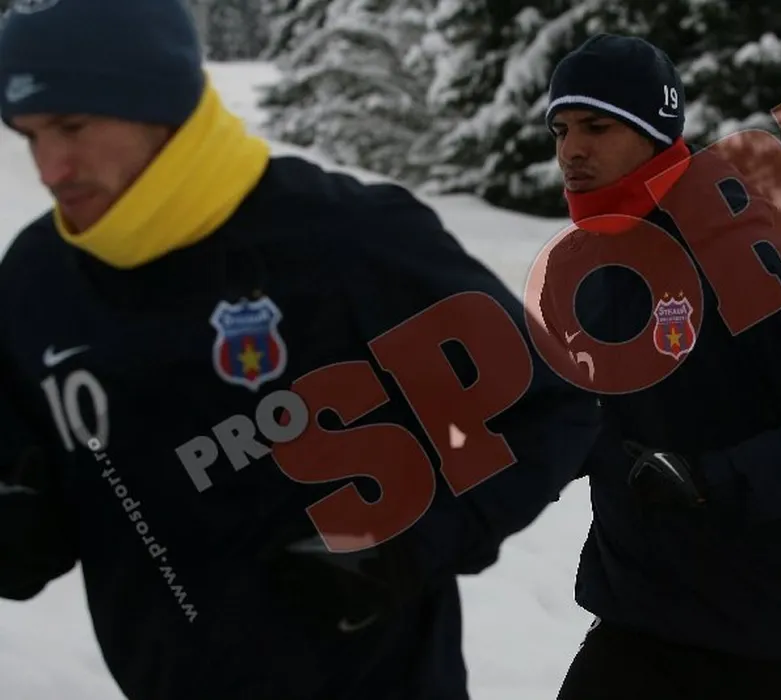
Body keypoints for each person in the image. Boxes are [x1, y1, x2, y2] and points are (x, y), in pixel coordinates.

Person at [0, 2, 601, 699]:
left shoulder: (346, 238)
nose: (50, 167)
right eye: (30, 135)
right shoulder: (36, 281)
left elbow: (554, 410)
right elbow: (32, 507)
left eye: (73, 126)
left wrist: (405, 551)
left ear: (159, 103)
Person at [538, 34, 781, 699]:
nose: (571, 150)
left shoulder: (745, 251)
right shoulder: (578, 266)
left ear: (655, 132)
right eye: (560, 130)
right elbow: (580, 413)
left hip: (777, 638)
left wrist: (709, 481)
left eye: (596, 126)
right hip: (640, 622)